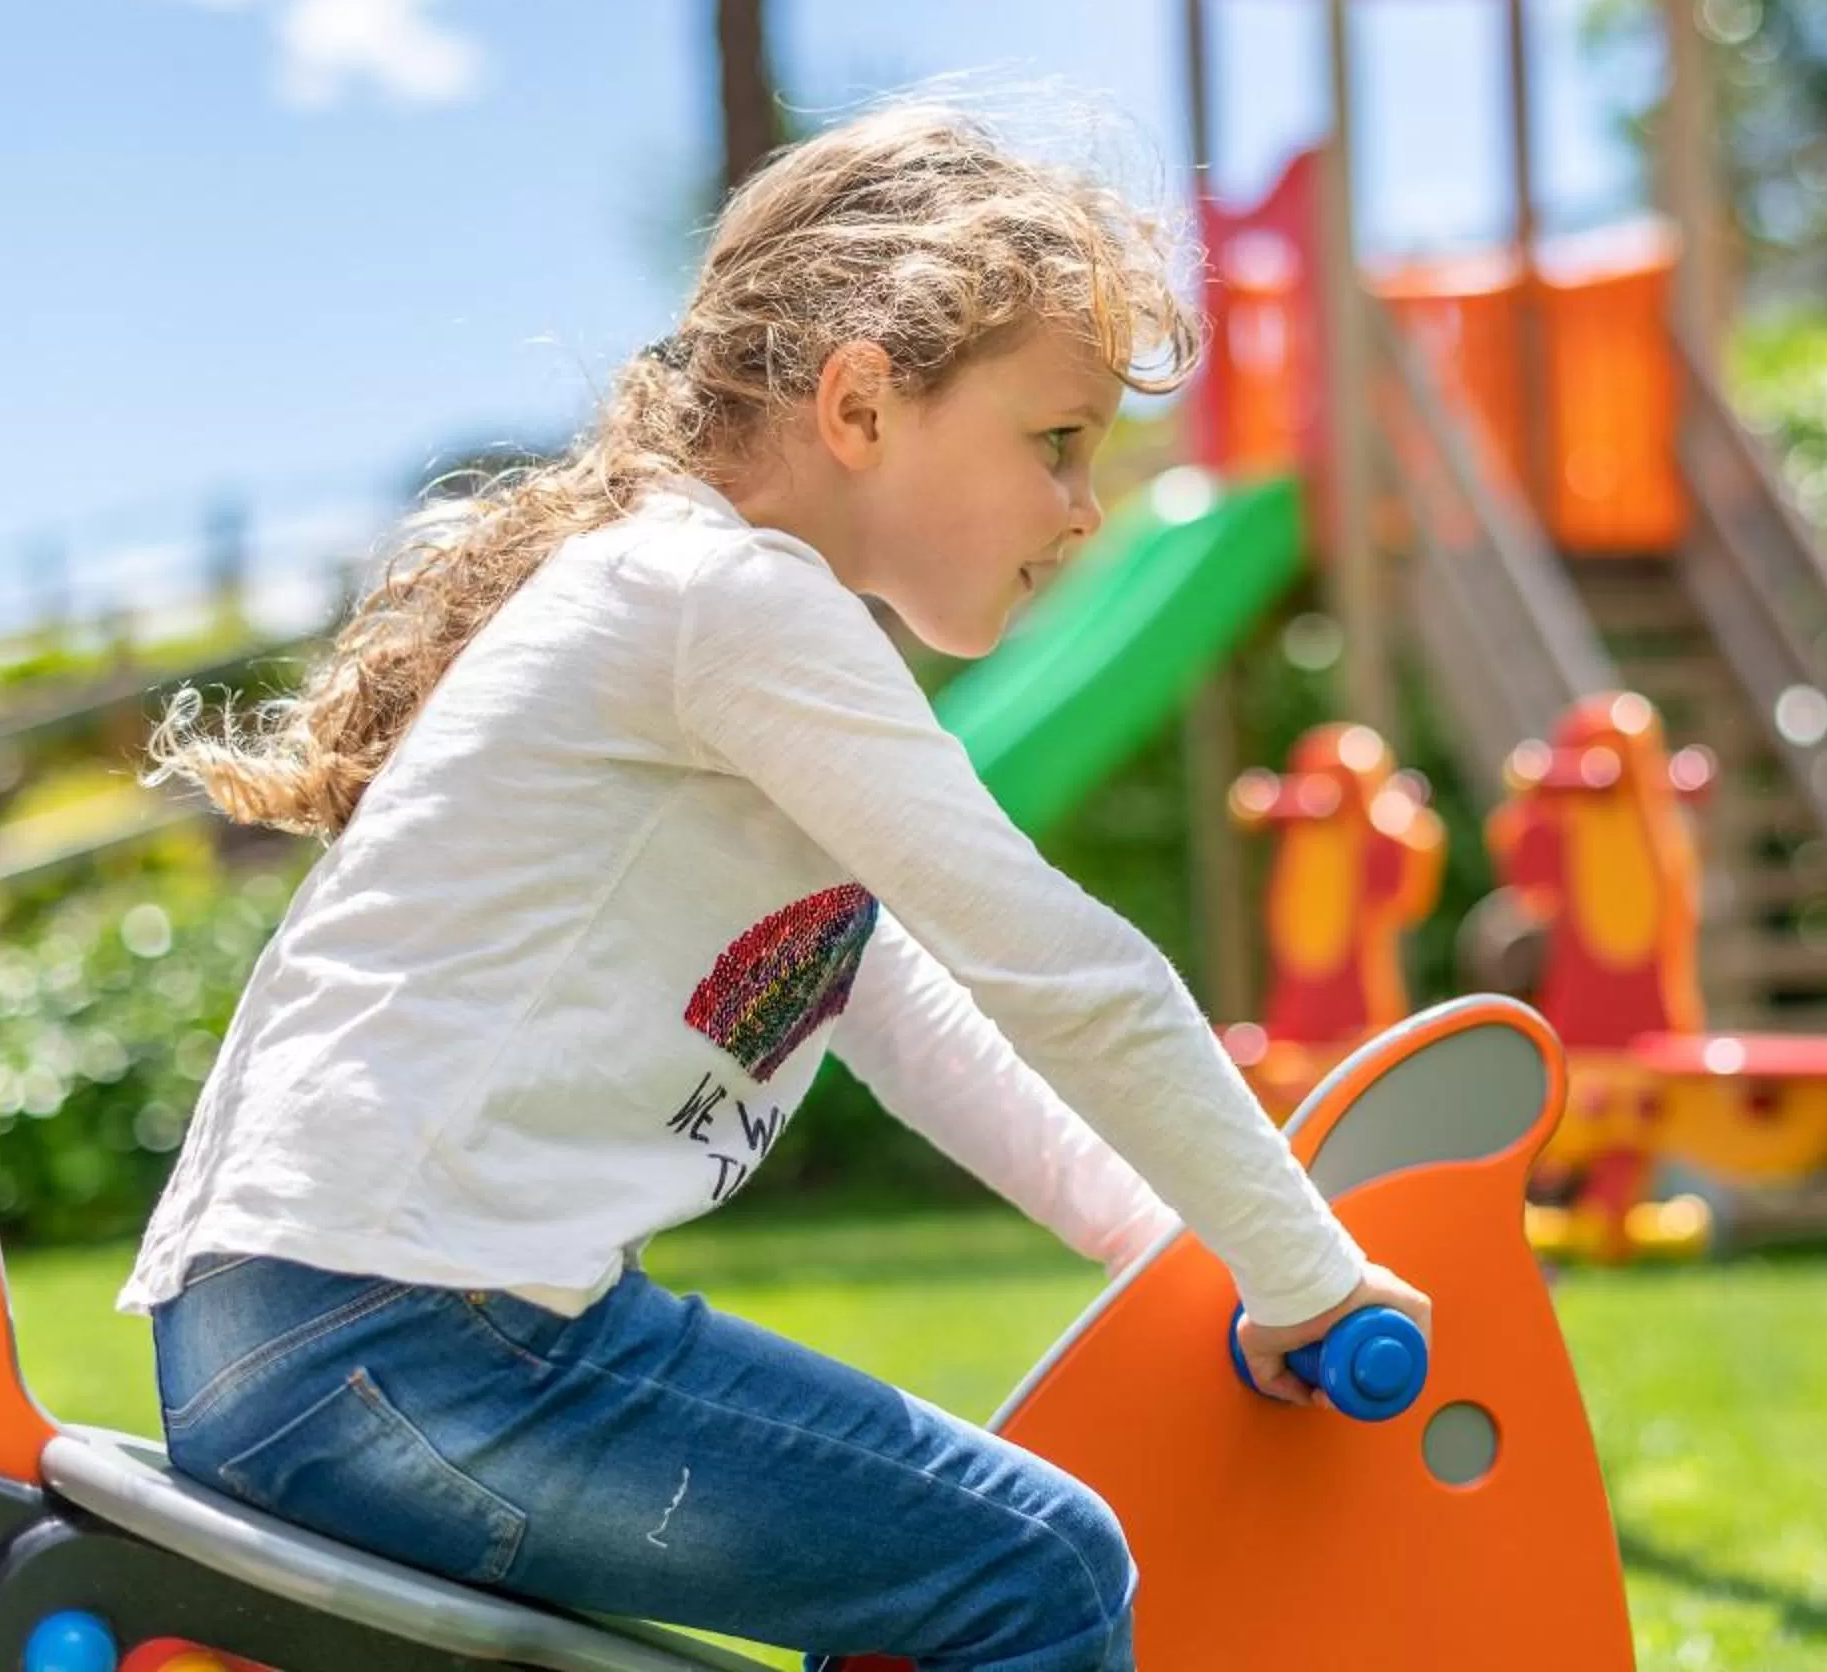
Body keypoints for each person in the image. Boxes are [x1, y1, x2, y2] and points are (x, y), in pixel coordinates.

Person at [117, 101, 1431, 1672]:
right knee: (1036, 1575)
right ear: (862, 403)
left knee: (957, 1566)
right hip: (408, 1337)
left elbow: (907, 1009)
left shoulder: (711, 612)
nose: (1089, 505)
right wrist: (1307, 1269)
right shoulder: (726, 602)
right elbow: (1061, 971)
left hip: (342, 1334)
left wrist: (1170, 1252)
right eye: (1057, 441)